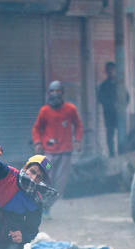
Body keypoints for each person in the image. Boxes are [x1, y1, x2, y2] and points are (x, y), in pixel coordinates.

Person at [31, 81, 83, 217]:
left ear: (62, 93)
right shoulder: (44, 111)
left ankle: (47, 207)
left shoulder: (70, 109)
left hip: (65, 153)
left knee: (60, 184)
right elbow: (36, 128)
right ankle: (40, 206)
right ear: (48, 94)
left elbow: (78, 125)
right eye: (52, 91)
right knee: (47, 178)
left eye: (58, 91)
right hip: (48, 153)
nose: (55, 94)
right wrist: (37, 143)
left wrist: (77, 140)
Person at [98, 62, 120, 158]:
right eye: (109, 70)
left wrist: (120, 105)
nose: (111, 72)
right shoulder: (104, 85)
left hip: (119, 114)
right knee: (110, 134)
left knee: (121, 133)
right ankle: (111, 153)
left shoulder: (120, 84)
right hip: (109, 114)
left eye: (112, 70)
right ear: (106, 72)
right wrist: (111, 105)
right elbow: (101, 99)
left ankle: (121, 151)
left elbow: (127, 97)